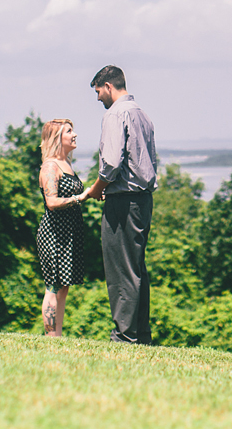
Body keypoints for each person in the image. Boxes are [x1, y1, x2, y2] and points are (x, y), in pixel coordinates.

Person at [81, 65, 158, 344]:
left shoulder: (116, 114)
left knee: (120, 269)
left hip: (122, 202)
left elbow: (112, 162)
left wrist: (97, 189)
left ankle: (125, 337)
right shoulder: (142, 114)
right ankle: (140, 334)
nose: (98, 98)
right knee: (136, 267)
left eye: (98, 91)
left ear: (109, 86)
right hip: (142, 200)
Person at [35, 118, 89, 336]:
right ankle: (51, 337)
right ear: (58, 138)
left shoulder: (66, 164)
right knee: (53, 285)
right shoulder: (50, 166)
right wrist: (80, 198)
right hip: (54, 234)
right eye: (69, 131)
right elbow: (52, 202)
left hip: (69, 233)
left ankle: (58, 335)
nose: (74, 135)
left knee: (63, 286)